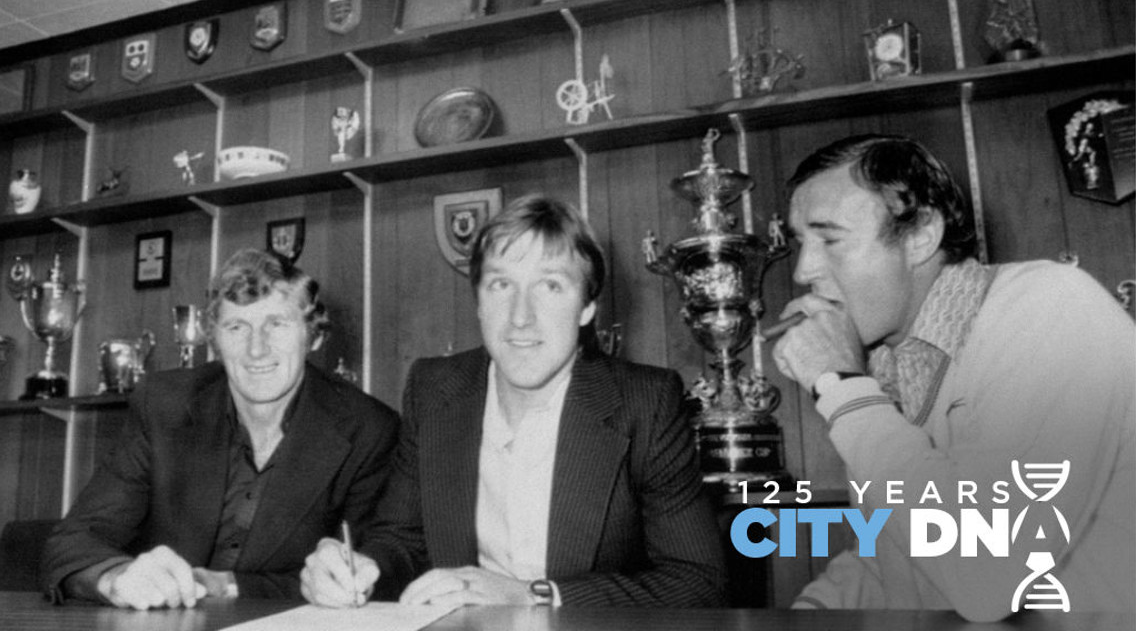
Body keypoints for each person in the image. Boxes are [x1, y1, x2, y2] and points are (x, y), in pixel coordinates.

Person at [770, 134, 1134, 622]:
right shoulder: (888, 364)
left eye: (830, 239)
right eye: (801, 243)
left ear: (921, 235)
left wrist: (839, 387)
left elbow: (985, 571)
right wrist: (809, 613)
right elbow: (897, 555)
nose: (802, 271)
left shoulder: (1052, 307)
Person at [301, 194, 727, 608]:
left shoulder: (645, 403)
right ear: (478, 302)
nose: (521, 316)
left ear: (586, 308)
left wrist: (535, 596)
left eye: (550, 285)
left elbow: (698, 581)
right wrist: (362, 568)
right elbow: (402, 538)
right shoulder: (433, 390)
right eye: (501, 284)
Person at [42, 248, 400, 609]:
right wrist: (115, 578)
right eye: (236, 327)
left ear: (313, 337)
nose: (257, 349)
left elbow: (376, 573)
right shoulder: (164, 405)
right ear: (214, 339)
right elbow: (72, 543)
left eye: (277, 324)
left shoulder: (367, 429)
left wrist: (229, 585)